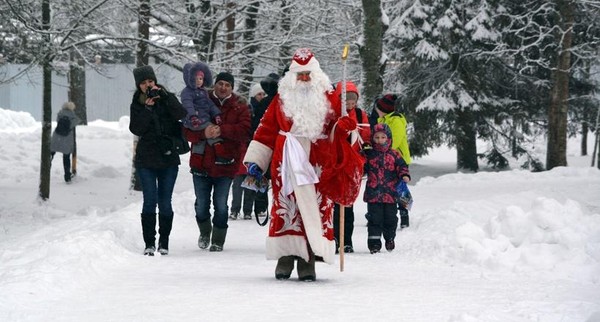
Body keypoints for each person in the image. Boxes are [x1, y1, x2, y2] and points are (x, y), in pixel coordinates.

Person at [243, 48, 362, 281]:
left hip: (317, 161)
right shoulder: (281, 98)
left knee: (316, 208)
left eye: (308, 74)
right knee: (287, 208)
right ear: (292, 77)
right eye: (300, 75)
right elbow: (266, 129)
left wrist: (346, 126)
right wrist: (256, 160)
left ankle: (309, 257)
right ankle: (286, 255)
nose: (305, 79)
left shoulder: (330, 97)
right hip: (286, 160)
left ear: (316, 75)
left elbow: (342, 129)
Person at [184, 71, 251, 252]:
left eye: (227, 85)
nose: (223, 88)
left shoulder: (240, 106)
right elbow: (187, 129)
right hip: (201, 161)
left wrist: (222, 130)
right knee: (201, 204)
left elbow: (244, 132)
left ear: (232, 87)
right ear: (214, 85)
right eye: (220, 83)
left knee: (221, 204)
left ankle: (218, 239)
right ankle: (205, 232)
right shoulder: (200, 100)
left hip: (226, 163)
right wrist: (202, 133)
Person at [129, 65, 187, 256]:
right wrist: (147, 108)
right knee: (149, 201)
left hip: (168, 157)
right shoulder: (137, 103)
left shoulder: (166, 97)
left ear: (155, 81)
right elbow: (136, 129)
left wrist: (166, 97)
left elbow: (181, 114)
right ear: (139, 85)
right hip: (146, 159)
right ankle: (149, 243)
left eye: (150, 81)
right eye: (144, 83)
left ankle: (164, 242)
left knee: (165, 201)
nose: (148, 85)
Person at [331, 80, 371, 254]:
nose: (349, 103)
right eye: (346, 99)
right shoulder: (332, 115)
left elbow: (366, 134)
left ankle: (346, 240)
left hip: (352, 165)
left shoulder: (361, 115)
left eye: (353, 99)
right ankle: (333, 239)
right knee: (333, 205)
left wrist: (366, 147)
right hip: (334, 164)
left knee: (348, 205)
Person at [363, 123, 411, 254]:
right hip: (373, 193)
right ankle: (374, 243)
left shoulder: (394, 154)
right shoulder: (370, 154)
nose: (380, 140)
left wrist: (404, 175)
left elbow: (402, 166)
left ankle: (389, 238)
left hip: (391, 193)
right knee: (374, 218)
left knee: (390, 218)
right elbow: (363, 168)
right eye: (377, 137)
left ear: (388, 138)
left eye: (383, 137)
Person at [181, 62, 233, 165]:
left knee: (200, 141)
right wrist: (193, 116)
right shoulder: (187, 92)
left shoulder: (203, 92)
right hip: (194, 120)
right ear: (190, 78)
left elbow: (210, 104)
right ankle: (220, 154)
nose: (199, 81)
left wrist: (216, 114)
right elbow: (188, 105)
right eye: (196, 78)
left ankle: (197, 162)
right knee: (213, 131)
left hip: (202, 119)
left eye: (200, 79)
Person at [372, 94, 412, 228]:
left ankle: (404, 213)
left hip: (398, 159)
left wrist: (382, 151)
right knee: (385, 187)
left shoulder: (396, 121)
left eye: (377, 107)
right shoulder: (382, 120)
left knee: (400, 188)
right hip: (384, 159)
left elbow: (394, 141)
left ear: (382, 109)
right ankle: (383, 214)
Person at [230, 83, 266, 220]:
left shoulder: (261, 110)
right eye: (259, 94)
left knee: (250, 184)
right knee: (238, 185)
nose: (261, 97)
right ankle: (236, 209)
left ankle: (247, 210)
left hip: (252, 151)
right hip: (242, 151)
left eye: (263, 94)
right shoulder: (248, 110)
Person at [50, 101, 81, 183]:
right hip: (67, 139)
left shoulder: (60, 114)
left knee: (51, 153)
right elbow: (75, 123)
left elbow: (57, 121)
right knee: (66, 157)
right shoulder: (73, 116)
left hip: (57, 136)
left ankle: (46, 170)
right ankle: (67, 176)